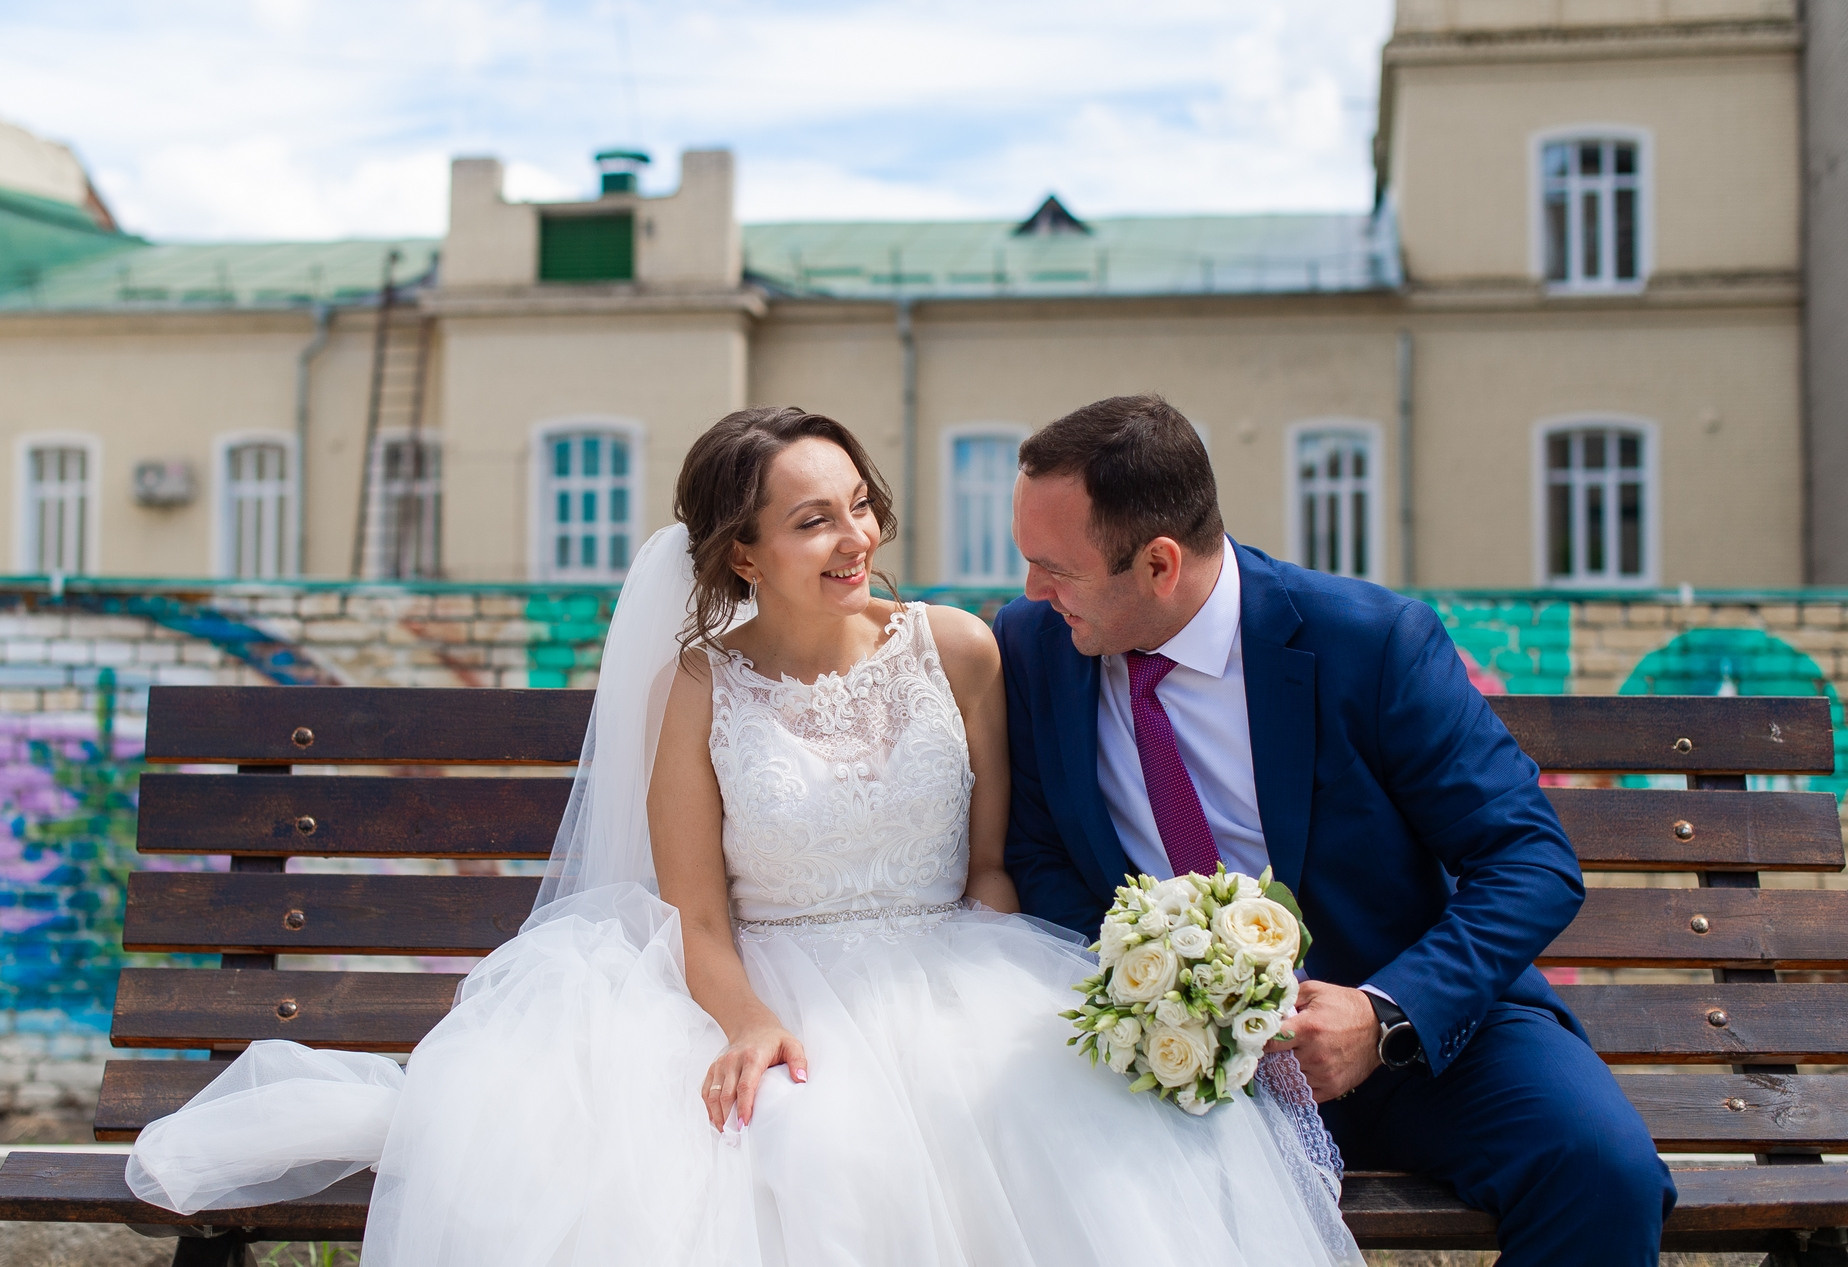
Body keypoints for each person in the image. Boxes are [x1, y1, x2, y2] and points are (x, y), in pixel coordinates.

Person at [126, 406, 1361, 1266]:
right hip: (764, 977)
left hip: (953, 964)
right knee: (811, 1151)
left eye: (860, 505)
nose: (856, 536)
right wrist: (750, 1021)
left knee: (1084, 1142)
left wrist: (998, 1016)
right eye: (814, 519)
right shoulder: (700, 689)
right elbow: (695, 915)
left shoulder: (961, 649)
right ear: (742, 552)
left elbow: (991, 866)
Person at [993, 394, 1675, 1267]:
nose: (1030, 591)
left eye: (1054, 568)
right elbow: (1041, 855)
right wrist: (1157, 1004)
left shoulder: (1370, 641)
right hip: (1171, 1060)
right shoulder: (1034, 646)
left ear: (1159, 564)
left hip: (1411, 1036)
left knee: (1602, 1172)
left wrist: (1384, 1014)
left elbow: (1528, 857)